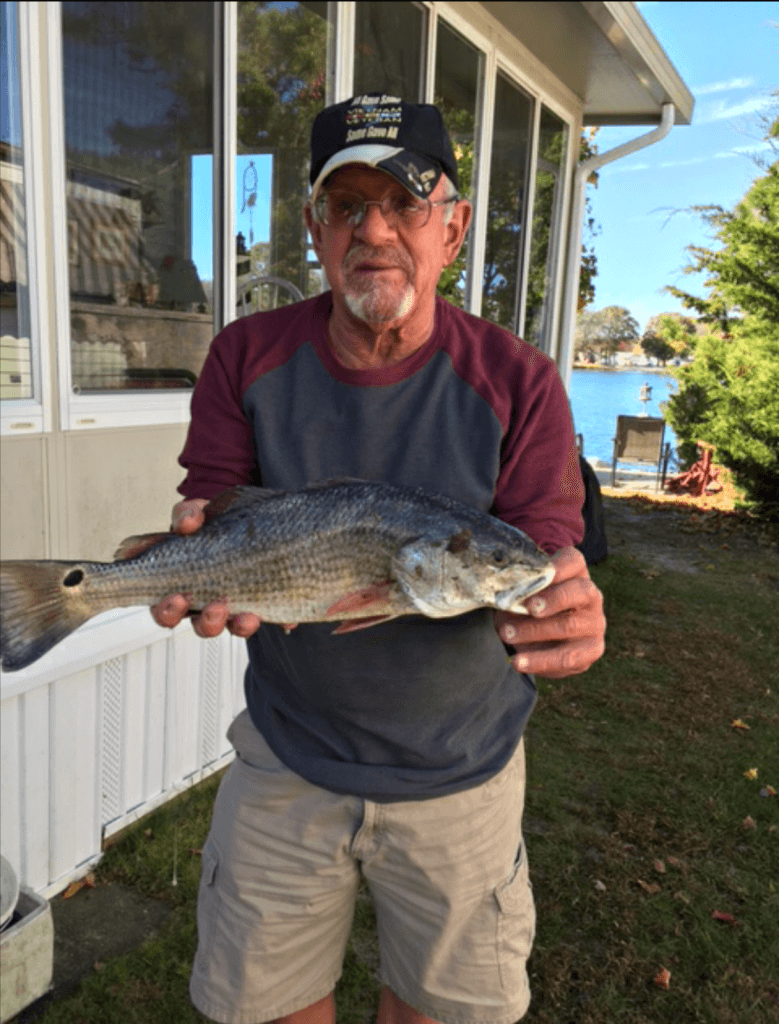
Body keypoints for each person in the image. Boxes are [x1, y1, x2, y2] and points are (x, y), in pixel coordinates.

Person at [152, 94, 605, 1024]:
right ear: (315, 227)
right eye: (347, 205)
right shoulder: (246, 355)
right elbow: (218, 502)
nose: (375, 230)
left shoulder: (519, 380)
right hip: (287, 757)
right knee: (262, 1007)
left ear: (453, 225)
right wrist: (193, 550)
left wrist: (568, 602)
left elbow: (540, 555)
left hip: (461, 773)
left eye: (404, 202)